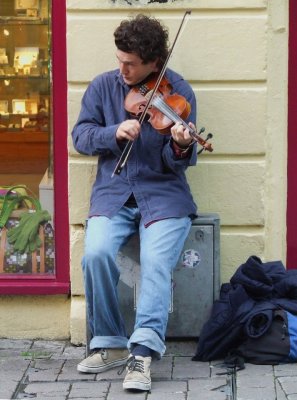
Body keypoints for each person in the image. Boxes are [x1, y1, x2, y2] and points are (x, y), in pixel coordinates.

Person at [71, 14, 198, 392]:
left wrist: (181, 143)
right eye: (119, 60)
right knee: (95, 253)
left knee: (157, 261)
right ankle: (109, 343)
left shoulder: (180, 92)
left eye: (131, 64)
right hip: (114, 193)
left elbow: (182, 162)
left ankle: (141, 353)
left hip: (164, 196)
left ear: (154, 63)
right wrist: (114, 132)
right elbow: (80, 136)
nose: (122, 69)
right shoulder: (102, 87)